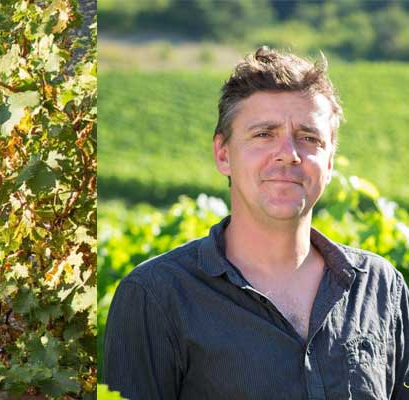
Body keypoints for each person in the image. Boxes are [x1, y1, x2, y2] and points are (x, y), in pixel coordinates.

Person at [102, 46, 409, 399]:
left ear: (329, 163)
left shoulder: (381, 288)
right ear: (223, 154)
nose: (288, 154)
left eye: (309, 138)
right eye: (264, 134)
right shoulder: (156, 296)